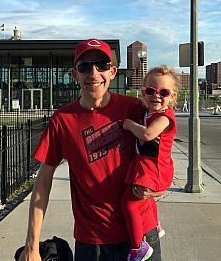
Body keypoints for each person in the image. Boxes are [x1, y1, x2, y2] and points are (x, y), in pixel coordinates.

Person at [18, 39, 163, 261]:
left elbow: (161, 152)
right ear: (74, 74)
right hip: (92, 242)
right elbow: (43, 182)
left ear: (113, 72)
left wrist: (159, 186)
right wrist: (32, 244)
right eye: (85, 66)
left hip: (142, 234)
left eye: (101, 65)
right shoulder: (62, 120)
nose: (94, 73)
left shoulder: (134, 109)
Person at [121, 65, 178, 261]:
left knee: (128, 203)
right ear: (144, 92)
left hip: (154, 168)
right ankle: (156, 224)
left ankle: (138, 248)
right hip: (147, 164)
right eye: (151, 91)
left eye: (164, 92)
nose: (156, 96)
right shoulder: (150, 112)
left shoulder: (165, 117)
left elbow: (147, 134)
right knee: (146, 199)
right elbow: (145, 110)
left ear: (172, 97)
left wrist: (128, 124)